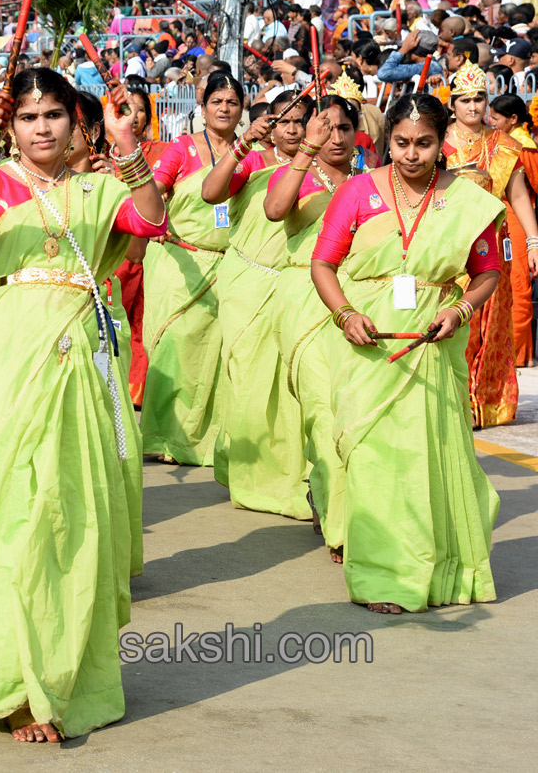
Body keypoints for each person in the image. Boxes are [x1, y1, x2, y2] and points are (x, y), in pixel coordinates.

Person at [0, 68, 166, 741]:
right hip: (4, 353)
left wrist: (129, 149)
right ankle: (10, 687)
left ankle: (66, 678)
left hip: (79, 351)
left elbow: (153, 219)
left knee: (73, 513)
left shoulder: (100, 190)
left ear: (77, 125)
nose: (42, 128)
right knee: (12, 511)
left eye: (55, 116)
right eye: (29, 117)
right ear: (10, 126)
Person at [310, 94, 502, 614]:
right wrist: (346, 315)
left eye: (424, 144)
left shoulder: (466, 199)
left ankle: (437, 571)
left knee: (427, 456)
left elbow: (487, 272)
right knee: (374, 457)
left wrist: (458, 312)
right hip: (368, 344)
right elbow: (323, 264)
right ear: (386, 140)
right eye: (401, 143)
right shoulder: (357, 191)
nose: (411, 154)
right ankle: (384, 575)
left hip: (431, 342)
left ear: (442, 145)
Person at [201, 89, 314, 518]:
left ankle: (292, 473)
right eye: (283, 120)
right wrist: (243, 143)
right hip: (248, 283)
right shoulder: (252, 160)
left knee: (291, 384)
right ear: (269, 124)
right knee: (248, 378)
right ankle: (249, 472)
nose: (291, 128)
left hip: (297, 287)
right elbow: (211, 194)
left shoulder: (319, 167)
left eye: (300, 120)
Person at [266, 95, 364, 561]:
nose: (337, 137)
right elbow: (274, 210)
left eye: (345, 128)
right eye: (328, 128)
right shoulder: (297, 174)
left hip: (358, 300)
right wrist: (307, 150)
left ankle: (331, 495)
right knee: (322, 411)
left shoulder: (372, 181)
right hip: (305, 299)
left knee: (350, 412)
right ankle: (341, 524)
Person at [141, 71, 244, 466]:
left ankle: (210, 439)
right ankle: (165, 437)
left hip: (228, 264)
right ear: (202, 109)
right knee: (176, 346)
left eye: (232, 103)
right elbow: (154, 191)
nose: (224, 109)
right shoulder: (183, 149)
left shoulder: (247, 152)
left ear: (241, 110)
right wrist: (157, 225)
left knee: (218, 353)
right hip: (180, 260)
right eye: (217, 101)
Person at [443, 62, 538, 427]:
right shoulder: (439, 142)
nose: (473, 106)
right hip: (449, 250)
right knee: (457, 324)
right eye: (465, 99)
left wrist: (532, 240)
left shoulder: (505, 146)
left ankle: (488, 402)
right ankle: (455, 400)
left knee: (493, 324)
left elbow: (517, 196)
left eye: (479, 98)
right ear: (453, 104)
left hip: (494, 248)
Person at [112, 85, 167, 406]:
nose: (132, 116)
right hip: (115, 250)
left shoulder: (162, 151)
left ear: (148, 116)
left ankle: (140, 388)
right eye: (125, 108)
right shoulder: (104, 154)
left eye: (140, 109)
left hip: (151, 249)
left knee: (143, 323)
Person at [487, 93, 538, 365]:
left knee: (517, 285)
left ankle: (518, 354)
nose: (490, 122)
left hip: (517, 220)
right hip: (502, 217)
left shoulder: (523, 147)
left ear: (513, 119)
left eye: (496, 118)